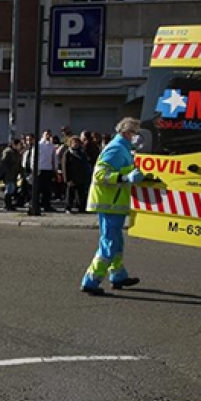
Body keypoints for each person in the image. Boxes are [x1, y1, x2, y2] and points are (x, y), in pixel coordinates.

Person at [80, 117, 145, 295]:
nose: (137, 137)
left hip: (114, 202)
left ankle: (118, 276)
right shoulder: (116, 148)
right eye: (135, 132)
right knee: (109, 243)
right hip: (109, 202)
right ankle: (91, 281)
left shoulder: (123, 149)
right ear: (126, 132)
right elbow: (101, 174)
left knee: (116, 242)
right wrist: (125, 177)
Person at [60, 135, 91, 214]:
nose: (76, 144)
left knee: (81, 194)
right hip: (71, 178)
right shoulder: (67, 153)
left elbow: (85, 164)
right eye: (74, 142)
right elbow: (64, 167)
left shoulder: (82, 153)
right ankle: (68, 208)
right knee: (70, 194)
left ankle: (81, 208)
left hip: (81, 177)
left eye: (77, 142)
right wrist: (67, 179)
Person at [0, 138, 23, 211]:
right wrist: (7, 172)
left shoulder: (16, 152)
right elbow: (3, 163)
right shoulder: (8, 152)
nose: (20, 146)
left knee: (12, 189)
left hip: (14, 174)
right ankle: (7, 204)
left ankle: (9, 204)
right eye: (19, 144)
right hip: (9, 174)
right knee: (9, 189)